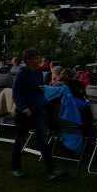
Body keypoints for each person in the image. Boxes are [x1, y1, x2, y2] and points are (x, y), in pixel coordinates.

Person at [11, 48, 66, 181]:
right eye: (35, 58)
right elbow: (16, 93)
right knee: (20, 140)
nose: (38, 60)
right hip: (24, 113)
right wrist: (24, 108)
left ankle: (51, 170)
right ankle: (16, 168)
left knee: (42, 140)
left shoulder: (38, 73)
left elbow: (38, 89)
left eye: (38, 57)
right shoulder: (22, 73)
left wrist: (41, 90)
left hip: (37, 110)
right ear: (28, 60)